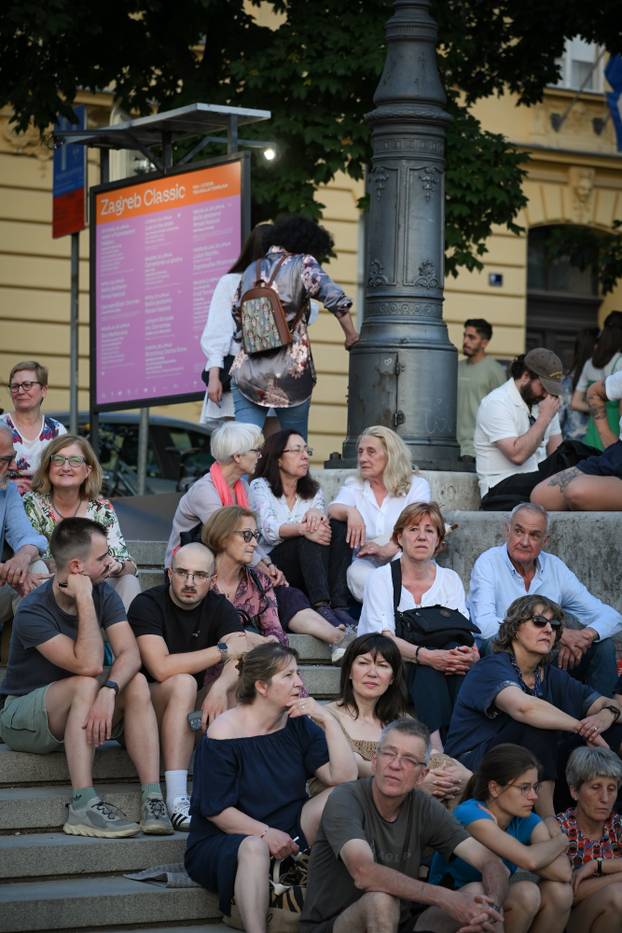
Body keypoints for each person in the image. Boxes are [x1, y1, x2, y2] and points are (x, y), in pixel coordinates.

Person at [0, 517, 173, 837]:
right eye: (103, 557)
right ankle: (83, 805)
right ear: (77, 567)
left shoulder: (103, 593)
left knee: (133, 681)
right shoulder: (32, 609)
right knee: (84, 683)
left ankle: (152, 798)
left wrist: (109, 691)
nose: (111, 562)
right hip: (24, 715)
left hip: (82, 705)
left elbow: (131, 655)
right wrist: (83, 598)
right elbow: (89, 665)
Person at [184, 643, 357, 932]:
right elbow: (216, 810)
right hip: (228, 837)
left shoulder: (297, 723)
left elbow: (343, 777)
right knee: (253, 847)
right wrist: (265, 833)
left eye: (298, 673)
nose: (300, 683)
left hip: (287, 825)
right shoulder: (223, 733)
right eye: (289, 675)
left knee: (343, 795)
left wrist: (327, 719)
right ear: (262, 686)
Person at [299, 717, 508, 933]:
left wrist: (492, 905)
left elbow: (490, 861)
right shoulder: (346, 798)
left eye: (409, 759)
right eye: (389, 753)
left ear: (422, 775)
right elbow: (364, 873)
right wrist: (445, 897)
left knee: (478, 897)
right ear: (374, 761)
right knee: (381, 900)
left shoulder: (423, 806)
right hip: (332, 925)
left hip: (401, 922)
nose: (395, 765)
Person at [445, 594, 622, 824]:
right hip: (476, 765)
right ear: (515, 628)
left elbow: (608, 704)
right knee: (538, 726)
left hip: (533, 767)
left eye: (555, 625)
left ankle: (612, 822)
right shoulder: (491, 667)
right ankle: (549, 822)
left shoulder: (551, 676)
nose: (549, 629)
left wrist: (605, 717)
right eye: (539, 622)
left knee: (615, 732)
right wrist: (581, 727)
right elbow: (525, 708)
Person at [128, 542, 249, 831]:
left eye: (199, 575)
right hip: (143, 714)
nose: (190, 582)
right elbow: (160, 667)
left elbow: (241, 651)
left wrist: (220, 688)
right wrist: (221, 651)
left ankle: (232, 788)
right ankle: (178, 798)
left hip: (186, 713)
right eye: (182, 573)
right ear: (169, 573)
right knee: (182, 683)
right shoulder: (147, 603)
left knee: (236, 682)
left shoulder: (219, 607)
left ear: (213, 580)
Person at [358, 502, 479, 750]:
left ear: (439, 541)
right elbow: (384, 638)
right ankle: (438, 747)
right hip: (389, 659)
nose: (422, 536)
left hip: (442, 664)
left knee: (455, 657)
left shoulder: (449, 580)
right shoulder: (381, 578)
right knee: (427, 668)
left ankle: (458, 744)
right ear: (399, 537)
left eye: (430, 530)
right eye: (413, 529)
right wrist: (427, 656)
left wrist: (469, 653)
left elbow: (462, 633)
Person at [467, 502, 619, 695]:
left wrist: (584, 636)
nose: (524, 541)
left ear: (545, 541)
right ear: (507, 530)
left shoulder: (555, 567)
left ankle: (602, 715)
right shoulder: (488, 562)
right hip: (505, 657)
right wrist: (559, 635)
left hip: (547, 656)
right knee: (494, 642)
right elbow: (484, 626)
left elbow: (612, 617)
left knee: (602, 646)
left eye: (534, 535)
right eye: (519, 531)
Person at [230, 215, 359, 438]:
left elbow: (236, 311)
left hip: (248, 371)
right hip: (290, 374)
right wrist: (351, 335)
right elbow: (335, 298)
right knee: (293, 447)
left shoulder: (252, 268)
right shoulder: (303, 263)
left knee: (243, 446)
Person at [429, 744, 572, 933]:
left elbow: (563, 872)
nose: (534, 796)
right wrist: (562, 841)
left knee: (558, 892)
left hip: (494, 899)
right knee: (485, 893)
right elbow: (528, 859)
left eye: (535, 787)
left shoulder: (527, 820)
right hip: (449, 905)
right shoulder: (470, 813)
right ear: (495, 788)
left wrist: (557, 841)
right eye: (524, 788)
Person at [319, 632, 470, 804]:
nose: (372, 673)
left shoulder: (402, 720)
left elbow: (434, 756)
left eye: (383, 665)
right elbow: (357, 767)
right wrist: (414, 781)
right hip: (353, 803)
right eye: (363, 663)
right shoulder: (327, 716)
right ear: (349, 672)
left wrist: (456, 776)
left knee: (460, 782)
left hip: (405, 800)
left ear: (392, 678)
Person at [202, 506, 354, 666]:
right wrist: (255, 638)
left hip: (252, 664)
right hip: (207, 661)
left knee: (289, 596)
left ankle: (340, 638)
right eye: (247, 535)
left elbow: (274, 627)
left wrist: (272, 638)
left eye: (255, 536)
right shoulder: (199, 578)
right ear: (223, 537)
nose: (254, 543)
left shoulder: (259, 581)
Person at [22, 434, 141, 611]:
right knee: (37, 567)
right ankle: (47, 634)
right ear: (48, 467)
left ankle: (125, 638)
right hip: (53, 588)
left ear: (87, 471)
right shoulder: (31, 504)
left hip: (96, 588)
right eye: (58, 460)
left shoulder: (101, 508)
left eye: (75, 460)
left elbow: (129, 565)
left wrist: (117, 566)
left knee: (128, 581)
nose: (66, 467)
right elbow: (29, 556)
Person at [250, 430, 353, 627]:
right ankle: (321, 605)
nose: (305, 456)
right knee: (307, 536)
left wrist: (316, 515)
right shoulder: (259, 486)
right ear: (278, 458)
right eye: (297, 451)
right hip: (276, 565)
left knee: (339, 527)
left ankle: (339, 606)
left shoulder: (314, 491)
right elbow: (269, 530)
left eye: (306, 450)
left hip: (311, 566)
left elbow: (322, 532)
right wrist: (303, 529)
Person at [165, 422, 282, 588]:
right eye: (256, 450)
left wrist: (269, 564)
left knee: (283, 592)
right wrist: (262, 569)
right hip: (188, 573)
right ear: (237, 456)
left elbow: (249, 535)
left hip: (228, 566)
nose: (259, 456)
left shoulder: (244, 488)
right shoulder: (204, 490)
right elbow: (229, 538)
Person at [327, 425, 431, 602]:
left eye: (371, 452)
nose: (363, 458)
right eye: (360, 452)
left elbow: (418, 520)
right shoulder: (355, 485)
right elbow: (333, 508)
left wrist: (389, 548)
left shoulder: (416, 485)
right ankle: (398, 611)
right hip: (368, 562)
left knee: (406, 562)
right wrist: (351, 512)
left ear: (391, 455)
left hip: (403, 552)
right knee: (356, 573)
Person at [200, 225, 274, 427]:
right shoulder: (232, 282)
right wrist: (214, 376)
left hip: (273, 378)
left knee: (270, 452)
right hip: (239, 376)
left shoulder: (282, 283)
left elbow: (309, 313)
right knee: (239, 450)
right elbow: (218, 330)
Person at [474, 348, 563, 498]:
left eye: (551, 389)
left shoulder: (542, 401)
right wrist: (544, 418)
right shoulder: (496, 402)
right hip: (500, 487)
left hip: (536, 482)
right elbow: (517, 456)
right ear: (526, 376)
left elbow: (558, 452)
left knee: (574, 455)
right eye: (543, 387)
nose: (547, 394)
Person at [531, 369, 622, 510]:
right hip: (616, 454)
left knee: (577, 491)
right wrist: (608, 438)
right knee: (541, 497)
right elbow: (594, 392)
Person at [557, 746, 622, 933]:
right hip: (570, 920)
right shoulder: (559, 828)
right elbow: (570, 893)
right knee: (617, 896)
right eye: (595, 787)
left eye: (612, 789)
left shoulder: (618, 826)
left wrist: (597, 865)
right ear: (574, 791)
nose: (605, 798)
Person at [0, 423, 49, 628]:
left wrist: (22, 558)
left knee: (36, 571)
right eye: (5, 460)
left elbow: (27, 536)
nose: (13, 467)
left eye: (13, 457)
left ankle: (33, 658)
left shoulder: (7, 490)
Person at [0, 360, 66, 494]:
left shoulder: (57, 431)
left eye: (27, 385)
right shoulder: (0, 427)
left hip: (45, 507)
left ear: (44, 390)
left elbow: (65, 473)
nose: (20, 391)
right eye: (15, 386)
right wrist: (9, 484)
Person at [457, 319, 507, 461]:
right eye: (465, 336)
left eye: (471, 337)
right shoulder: (456, 367)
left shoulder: (495, 370)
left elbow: (502, 412)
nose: (466, 341)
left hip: (477, 451)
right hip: (453, 448)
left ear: (484, 343)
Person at [572, 311, 622, 450]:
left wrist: (597, 407)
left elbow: (575, 403)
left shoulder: (589, 363)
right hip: (614, 430)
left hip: (593, 429)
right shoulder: (620, 362)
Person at [561, 327, 600, 441]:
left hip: (571, 447)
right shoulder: (596, 379)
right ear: (594, 347)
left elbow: (558, 421)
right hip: (588, 447)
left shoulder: (565, 382)